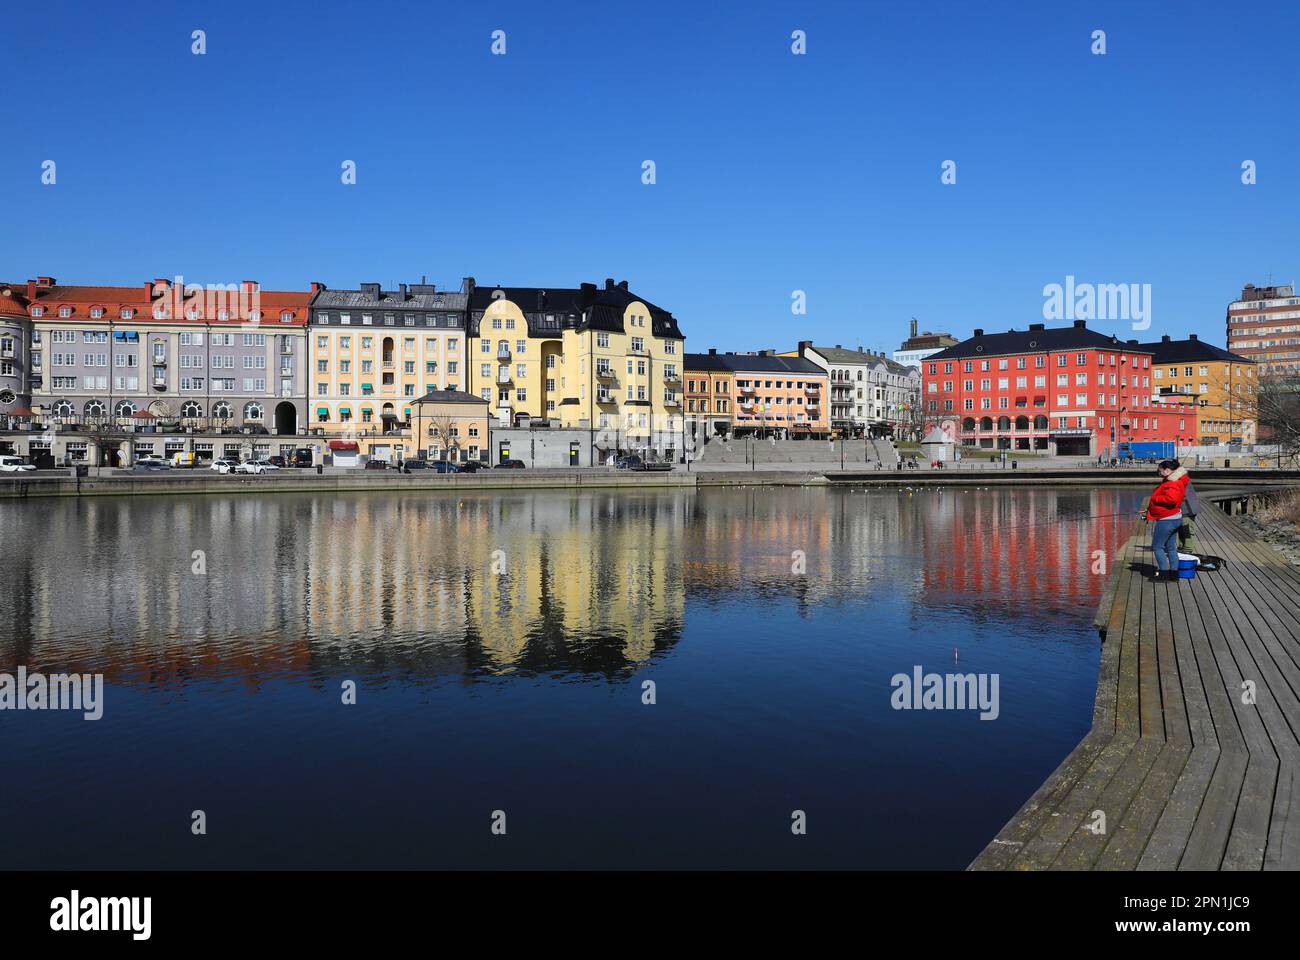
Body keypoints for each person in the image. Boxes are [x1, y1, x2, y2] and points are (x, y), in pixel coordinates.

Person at [1144, 459, 1190, 581]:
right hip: (1174, 518)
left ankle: (1163, 574)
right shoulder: (1175, 480)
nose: (1158, 472)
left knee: (1157, 547)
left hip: (1167, 520)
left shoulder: (1173, 483)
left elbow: (1172, 500)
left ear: (1167, 470)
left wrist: (1156, 499)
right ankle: (1174, 575)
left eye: (1160, 470)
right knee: (1170, 547)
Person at [1179, 475, 1202, 554]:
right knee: (1181, 528)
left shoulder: (1180, 479)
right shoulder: (1181, 478)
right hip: (1186, 507)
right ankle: (1182, 546)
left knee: (1187, 528)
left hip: (1187, 508)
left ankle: (1188, 548)